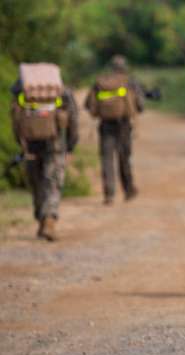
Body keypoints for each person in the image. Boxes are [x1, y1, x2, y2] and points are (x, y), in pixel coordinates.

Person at [10, 63, 79, 241]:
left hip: (30, 144)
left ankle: (42, 220)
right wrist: (71, 145)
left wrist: (20, 142)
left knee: (37, 183)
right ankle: (49, 219)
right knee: (53, 182)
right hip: (55, 144)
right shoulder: (61, 90)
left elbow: (15, 118)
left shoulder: (21, 89)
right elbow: (73, 118)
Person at [85, 55, 145, 205]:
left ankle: (109, 194)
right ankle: (128, 190)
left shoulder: (100, 82)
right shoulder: (129, 82)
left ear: (111, 67)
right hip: (124, 124)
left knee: (106, 159)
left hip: (105, 125)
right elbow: (140, 105)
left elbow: (88, 104)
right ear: (125, 67)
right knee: (124, 157)